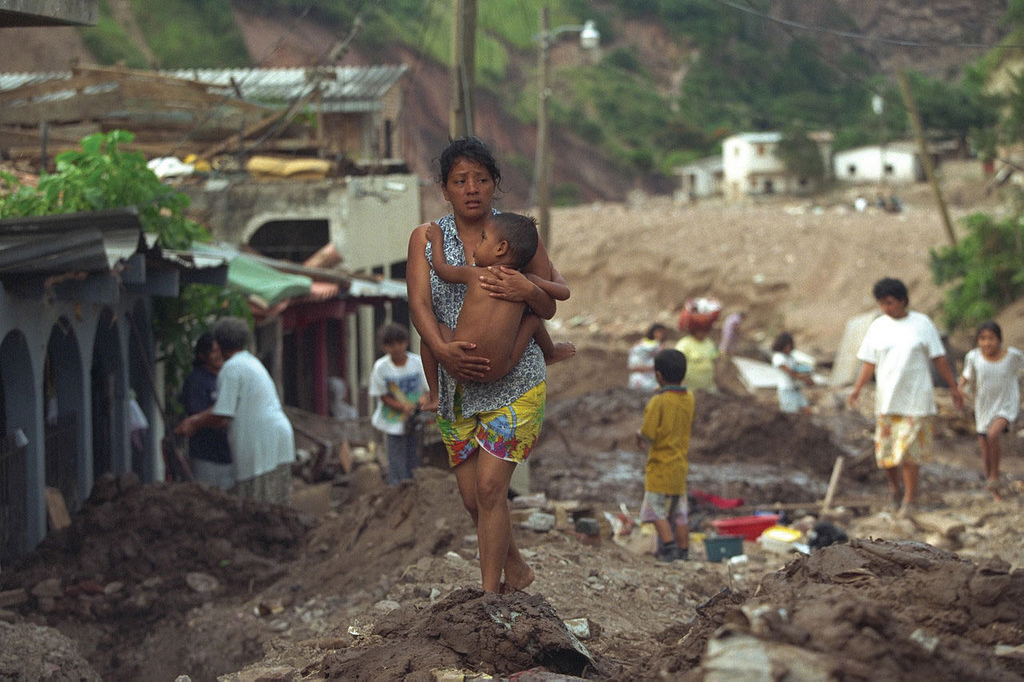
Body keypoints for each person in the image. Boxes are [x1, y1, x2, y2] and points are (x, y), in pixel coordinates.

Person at [406, 136, 567, 593]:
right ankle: (514, 566)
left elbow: (549, 304)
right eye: (460, 180)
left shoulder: (515, 233)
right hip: (457, 386)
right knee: (474, 499)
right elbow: (419, 305)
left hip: (515, 383)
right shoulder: (426, 238)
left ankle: (490, 597)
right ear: (445, 188)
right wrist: (441, 348)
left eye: (481, 179)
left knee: (493, 490)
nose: (472, 188)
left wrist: (528, 292)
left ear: (495, 184)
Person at [420, 211, 575, 409]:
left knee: (430, 333)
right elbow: (564, 292)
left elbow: (441, 269)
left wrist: (437, 238)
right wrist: (552, 272)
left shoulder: (475, 274)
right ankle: (551, 352)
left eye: (483, 238)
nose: (477, 244)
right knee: (533, 320)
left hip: (462, 362)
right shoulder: (524, 281)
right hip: (500, 368)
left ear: (501, 248)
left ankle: (435, 396)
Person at [848, 278, 963, 517]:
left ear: (902, 300)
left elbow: (939, 358)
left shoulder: (922, 324)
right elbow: (869, 361)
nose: (886, 308)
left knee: (910, 450)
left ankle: (910, 499)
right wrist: (857, 388)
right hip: (887, 399)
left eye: (890, 302)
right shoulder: (878, 326)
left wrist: (954, 387)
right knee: (887, 453)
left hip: (916, 399)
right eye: (882, 304)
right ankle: (895, 490)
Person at [175, 317, 295, 504]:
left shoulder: (231, 368)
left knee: (260, 507)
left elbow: (223, 413)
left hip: (262, 445)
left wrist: (194, 422)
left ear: (219, 343)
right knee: (275, 505)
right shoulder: (249, 362)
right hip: (275, 440)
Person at [634, 349, 695, 562]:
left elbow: (649, 433)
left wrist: (639, 436)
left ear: (658, 375)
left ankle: (669, 549)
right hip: (679, 467)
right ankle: (684, 552)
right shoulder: (689, 398)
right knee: (680, 513)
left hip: (660, 468)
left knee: (655, 511)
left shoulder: (658, 401)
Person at [957, 320, 1024, 500]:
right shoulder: (974, 358)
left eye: (991, 338)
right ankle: (994, 489)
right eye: (983, 338)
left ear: (1000, 339)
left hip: (1006, 405)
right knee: (986, 452)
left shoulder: (1012, 357)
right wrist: (959, 390)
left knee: (993, 434)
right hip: (984, 407)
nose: (987, 343)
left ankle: (995, 475)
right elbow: (966, 376)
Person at [369, 322, 431, 486]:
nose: (396, 348)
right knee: (396, 458)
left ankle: (414, 487)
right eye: (391, 344)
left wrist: (422, 401)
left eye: (399, 343)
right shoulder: (381, 367)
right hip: (393, 421)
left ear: (406, 342)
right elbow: (382, 396)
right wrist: (402, 407)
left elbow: (428, 389)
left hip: (415, 419)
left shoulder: (417, 362)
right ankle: (398, 488)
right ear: (384, 347)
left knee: (414, 454)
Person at [178, 332, 233, 489]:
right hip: (207, 456)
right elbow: (198, 415)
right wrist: (221, 417)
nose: (218, 355)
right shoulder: (197, 380)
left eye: (220, 350)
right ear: (202, 355)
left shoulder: (228, 375)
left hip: (229, 455)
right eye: (213, 351)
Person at [771, 332, 814, 415]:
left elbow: (797, 369)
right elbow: (790, 372)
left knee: (807, 411)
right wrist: (805, 379)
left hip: (795, 388)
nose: (789, 348)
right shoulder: (778, 357)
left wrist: (807, 377)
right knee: (791, 414)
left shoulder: (791, 357)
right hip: (786, 390)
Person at [675, 323, 719, 392]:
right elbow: (677, 363)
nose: (703, 333)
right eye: (700, 331)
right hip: (691, 386)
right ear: (694, 331)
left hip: (707, 384)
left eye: (705, 331)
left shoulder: (709, 342)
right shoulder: (684, 344)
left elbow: (714, 358)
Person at [628, 323, 670, 392]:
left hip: (652, 380)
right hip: (639, 379)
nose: (661, 335)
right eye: (659, 332)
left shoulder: (660, 346)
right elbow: (632, 364)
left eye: (663, 333)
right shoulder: (641, 345)